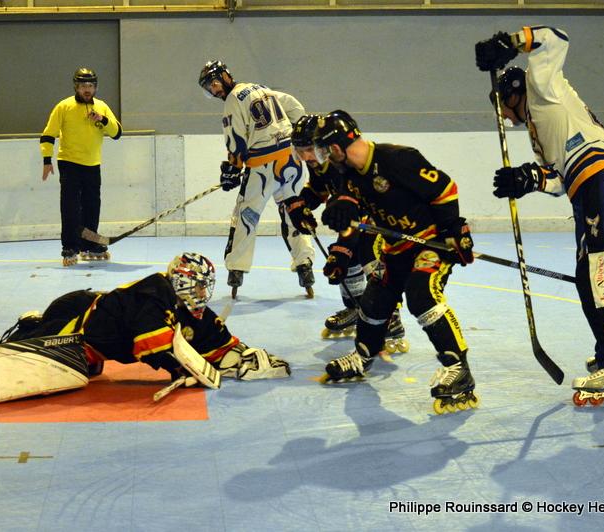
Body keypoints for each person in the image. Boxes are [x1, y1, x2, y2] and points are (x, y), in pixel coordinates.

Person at [475, 26, 604, 405]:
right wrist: (528, 178)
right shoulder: (538, 132)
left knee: (599, 271)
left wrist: (510, 43)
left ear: (513, 93)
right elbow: (558, 179)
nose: (503, 116)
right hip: (588, 185)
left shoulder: (541, 86)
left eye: (501, 106)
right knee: (589, 276)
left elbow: (556, 38)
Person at [0, 252, 290, 406]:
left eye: (205, 288)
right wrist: (185, 370)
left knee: (89, 367)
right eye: (196, 287)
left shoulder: (191, 309)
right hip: (77, 315)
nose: (202, 295)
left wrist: (244, 358)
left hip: (97, 337)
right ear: (180, 283)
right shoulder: (155, 295)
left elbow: (218, 343)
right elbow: (152, 349)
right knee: (59, 365)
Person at [312, 111, 477, 415]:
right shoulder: (349, 174)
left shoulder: (397, 159)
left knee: (421, 294)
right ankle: (364, 354)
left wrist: (455, 230)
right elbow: (351, 204)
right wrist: (341, 213)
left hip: (429, 244)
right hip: (396, 248)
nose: (323, 158)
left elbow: (445, 188)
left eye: (323, 150)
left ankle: (459, 369)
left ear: (335, 148)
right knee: (375, 302)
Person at [284, 114, 409, 354]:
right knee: (347, 258)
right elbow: (319, 189)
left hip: (383, 217)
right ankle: (356, 306)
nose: (305, 157)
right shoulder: (320, 163)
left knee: (368, 253)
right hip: (356, 218)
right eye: (300, 151)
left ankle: (390, 316)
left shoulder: (344, 164)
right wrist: (300, 204)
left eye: (309, 149)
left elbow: (355, 212)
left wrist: (342, 249)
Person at [198, 60, 315, 298]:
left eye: (215, 82)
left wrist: (232, 168)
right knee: (294, 211)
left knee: (246, 216)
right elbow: (295, 108)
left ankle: (237, 270)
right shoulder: (260, 88)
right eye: (210, 87)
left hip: (262, 167)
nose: (214, 89)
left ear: (225, 76)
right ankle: (305, 265)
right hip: (291, 161)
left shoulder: (232, 100)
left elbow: (236, 141)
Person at [41, 67, 122, 267]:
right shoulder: (64, 106)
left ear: (95, 87)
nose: (87, 89)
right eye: (83, 86)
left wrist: (102, 120)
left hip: (93, 164)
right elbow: (48, 134)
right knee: (70, 207)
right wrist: (46, 160)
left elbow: (117, 132)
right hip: (69, 163)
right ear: (76, 87)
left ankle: (90, 244)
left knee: (92, 206)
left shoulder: (101, 107)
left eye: (90, 86)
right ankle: (70, 246)